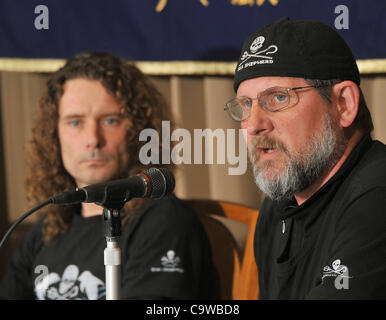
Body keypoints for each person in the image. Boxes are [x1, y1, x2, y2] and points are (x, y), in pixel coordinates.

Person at [0, 52, 218, 300]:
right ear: (53, 135)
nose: (93, 139)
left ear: (138, 131)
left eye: (110, 120)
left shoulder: (163, 221)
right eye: (75, 122)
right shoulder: (46, 230)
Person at [225, 17, 386, 299]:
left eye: (277, 98)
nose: (253, 124)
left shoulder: (377, 197)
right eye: (246, 105)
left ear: (344, 104)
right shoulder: (276, 209)